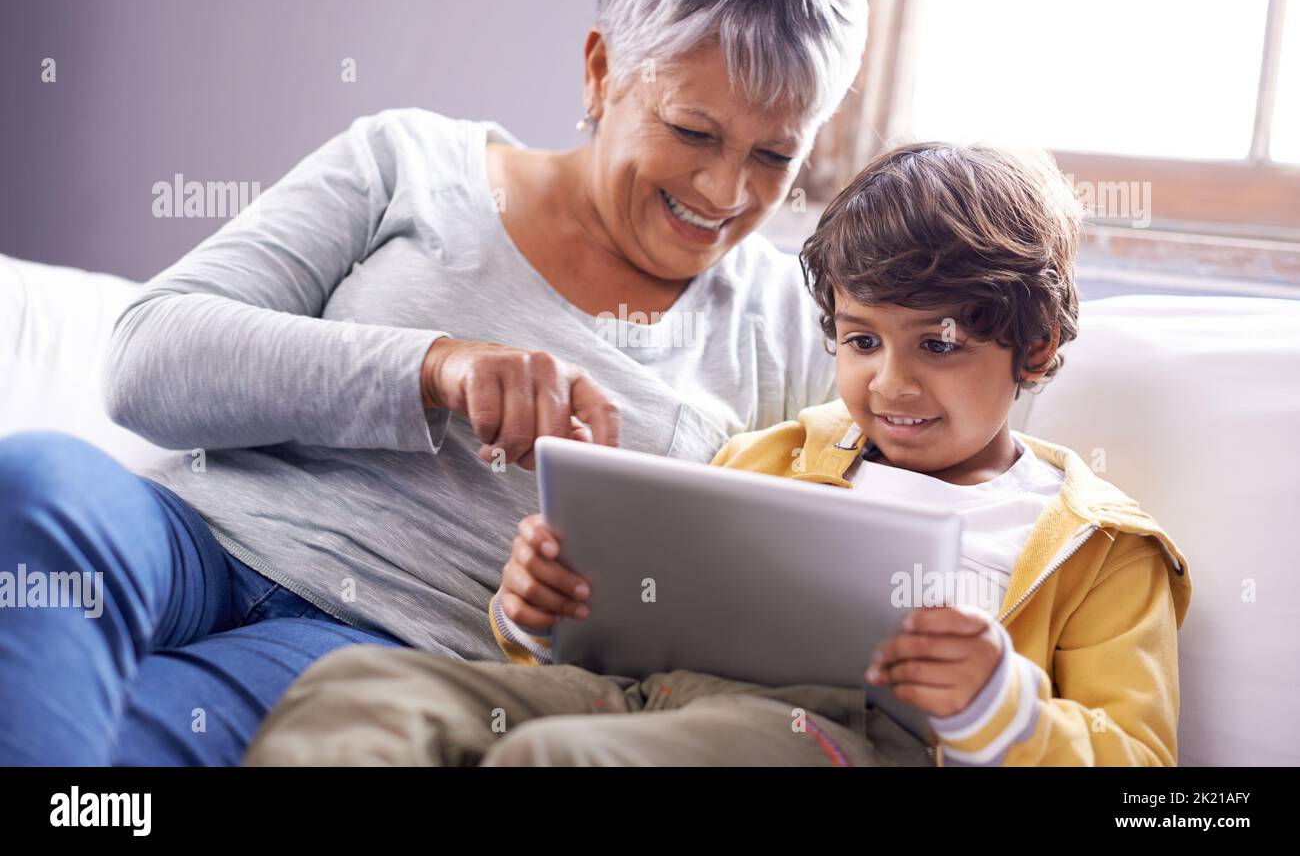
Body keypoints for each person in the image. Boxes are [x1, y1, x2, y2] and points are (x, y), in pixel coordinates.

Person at [0, 0, 869, 765]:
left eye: (774, 156)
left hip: (368, 642)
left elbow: (821, 590)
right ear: (602, 71)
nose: (723, 191)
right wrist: (434, 366)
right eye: (692, 130)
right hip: (182, 532)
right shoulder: (409, 163)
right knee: (37, 480)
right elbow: (146, 357)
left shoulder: (799, 333)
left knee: (123, 747)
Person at [240, 142, 1193, 767]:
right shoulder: (771, 455)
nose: (892, 382)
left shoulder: (1099, 548)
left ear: (1033, 351)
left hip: (836, 742)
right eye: (862, 341)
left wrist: (1005, 710)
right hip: (640, 697)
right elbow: (620, 643)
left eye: (937, 345)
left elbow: (1147, 778)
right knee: (353, 692)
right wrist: (538, 616)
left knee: (562, 758)